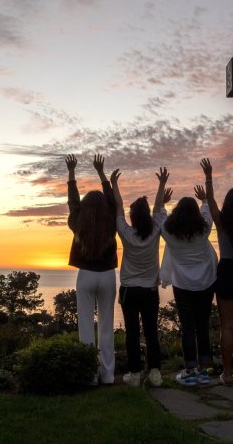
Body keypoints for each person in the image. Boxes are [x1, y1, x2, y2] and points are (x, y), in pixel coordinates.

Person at [196, 158, 233, 386]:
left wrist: (209, 176)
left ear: (227, 205)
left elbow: (210, 202)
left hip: (227, 272)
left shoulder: (221, 222)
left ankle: (228, 374)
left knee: (227, 327)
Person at [155, 167, 218, 386]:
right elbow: (208, 212)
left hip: (182, 284)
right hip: (206, 282)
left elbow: (160, 217)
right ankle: (205, 366)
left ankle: (190, 367)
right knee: (202, 323)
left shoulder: (169, 233)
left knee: (187, 325)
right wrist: (204, 198)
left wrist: (162, 200)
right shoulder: (204, 230)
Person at [110, 167, 172, 387]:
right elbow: (157, 207)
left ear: (132, 218)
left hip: (129, 291)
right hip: (149, 292)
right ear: (147, 215)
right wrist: (162, 183)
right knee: (151, 331)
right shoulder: (155, 230)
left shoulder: (126, 234)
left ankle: (135, 375)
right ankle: (155, 374)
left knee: (132, 333)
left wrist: (113, 184)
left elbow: (118, 207)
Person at [65, 153, 118, 385]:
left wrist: (72, 173)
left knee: (85, 326)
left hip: (85, 276)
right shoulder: (113, 221)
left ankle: (89, 375)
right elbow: (113, 201)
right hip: (107, 275)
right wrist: (101, 173)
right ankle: (107, 375)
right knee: (106, 325)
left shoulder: (78, 223)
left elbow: (73, 203)